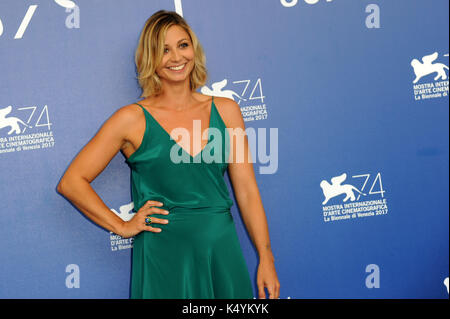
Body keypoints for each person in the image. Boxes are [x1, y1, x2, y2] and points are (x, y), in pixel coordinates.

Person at [57, 10, 280, 299]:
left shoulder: (226, 111)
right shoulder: (131, 119)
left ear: (193, 49)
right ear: (150, 59)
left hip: (221, 250)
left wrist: (266, 256)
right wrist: (121, 226)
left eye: (182, 45)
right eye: (164, 50)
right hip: (164, 255)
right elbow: (72, 181)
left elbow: (247, 190)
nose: (176, 57)